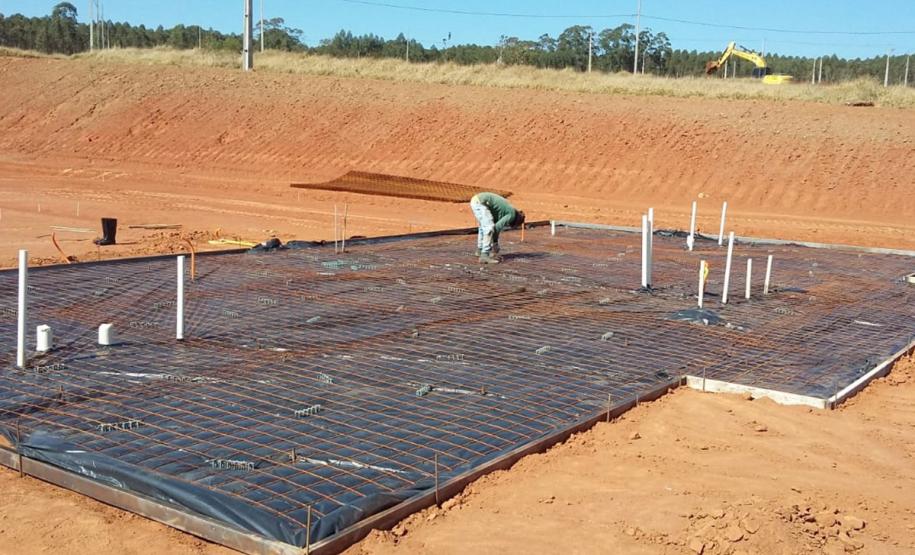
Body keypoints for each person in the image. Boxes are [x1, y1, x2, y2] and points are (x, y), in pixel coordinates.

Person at [469, 192, 525, 264]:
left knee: (483, 227)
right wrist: (495, 243)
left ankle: (480, 250)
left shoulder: (505, 211)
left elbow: (496, 226)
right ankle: (484, 255)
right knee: (488, 228)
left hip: (477, 200)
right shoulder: (512, 214)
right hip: (481, 203)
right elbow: (496, 228)